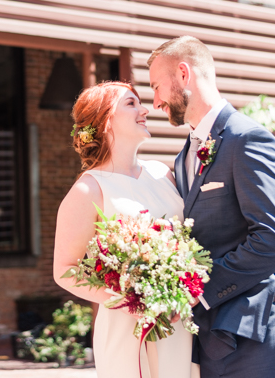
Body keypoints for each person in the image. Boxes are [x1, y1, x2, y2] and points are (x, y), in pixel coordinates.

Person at [147, 36, 275, 378]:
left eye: (156, 87)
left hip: (260, 332)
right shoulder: (183, 158)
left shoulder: (247, 139)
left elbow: (274, 240)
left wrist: (197, 290)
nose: (155, 101)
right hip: (213, 338)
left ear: (183, 73)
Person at [53, 82, 196, 378]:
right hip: (128, 329)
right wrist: (130, 300)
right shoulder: (88, 189)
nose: (144, 110)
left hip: (179, 319)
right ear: (106, 120)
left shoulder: (162, 173)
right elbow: (64, 270)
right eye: (131, 103)